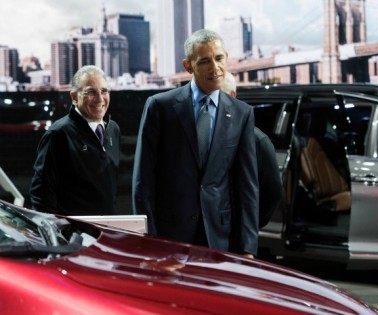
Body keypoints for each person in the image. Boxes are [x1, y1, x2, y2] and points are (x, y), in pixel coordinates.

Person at [132, 29, 259, 257]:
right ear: (188, 65)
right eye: (204, 61)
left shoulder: (242, 114)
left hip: (220, 237)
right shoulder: (160, 107)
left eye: (219, 58)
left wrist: (247, 247)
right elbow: (143, 181)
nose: (215, 67)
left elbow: (247, 186)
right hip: (168, 236)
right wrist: (148, 238)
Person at [30, 65, 121, 215]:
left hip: (107, 231)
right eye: (91, 92)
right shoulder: (58, 134)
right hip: (74, 235)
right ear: (74, 97)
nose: (100, 99)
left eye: (104, 91)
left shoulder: (113, 129)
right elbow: (41, 196)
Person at [222, 72, 283, 228]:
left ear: (232, 96)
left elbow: (273, 192)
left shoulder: (256, 140)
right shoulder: (196, 135)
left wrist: (248, 225)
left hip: (235, 234)